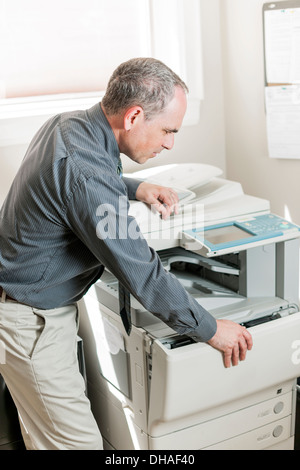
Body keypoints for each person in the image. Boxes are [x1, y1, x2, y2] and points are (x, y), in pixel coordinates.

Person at [0, 57, 252, 450]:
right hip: (31, 322)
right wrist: (211, 329)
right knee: (75, 444)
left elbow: (85, 177)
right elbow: (141, 271)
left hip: (29, 305)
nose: (170, 143)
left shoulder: (68, 124)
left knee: (46, 436)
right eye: (168, 130)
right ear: (134, 116)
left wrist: (134, 187)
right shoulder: (87, 175)